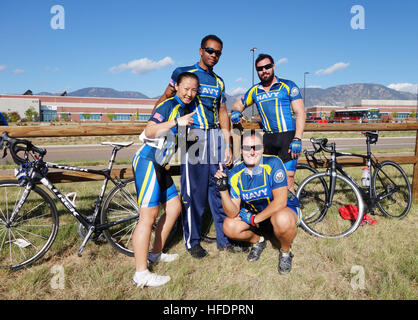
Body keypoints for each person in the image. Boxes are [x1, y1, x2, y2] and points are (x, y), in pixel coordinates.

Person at [155, 35, 237, 259]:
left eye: (218, 52)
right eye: (210, 50)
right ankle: (193, 241)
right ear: (201, 50)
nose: (214, 55)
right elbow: (166, 97)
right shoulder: (183, 73)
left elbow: (222, 112)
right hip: (193, 135)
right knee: (194, 191)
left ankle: (224, 238)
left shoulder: (219, 82)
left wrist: (228, 143)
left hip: (216, 136)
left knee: (220, 187)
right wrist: (155, 124)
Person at [131, 72, 198, 288]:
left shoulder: (189, 109)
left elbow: (178, 140)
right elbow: (149, 131)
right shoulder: (168, 106)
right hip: (148, 161)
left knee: (174, 207)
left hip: (161, 165)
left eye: (194, 89)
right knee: (148, 216)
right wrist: (176, 122)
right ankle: (141, 274)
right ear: (177, 86)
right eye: (186, 88)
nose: (189, 93)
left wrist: (190, 137)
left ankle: (155, 253)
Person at [214, 130, 301, 274]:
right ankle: (258, 241)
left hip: (283, 211)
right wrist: (223, 191)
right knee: (229, 226)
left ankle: (286, 251)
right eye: (247, 148)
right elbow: (232, 212)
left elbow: (280, 202)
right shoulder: (235, 173)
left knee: (282, 219)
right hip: (259, 216)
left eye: (256, 147)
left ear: (263, 149)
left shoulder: (273, 163)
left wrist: (254, 219)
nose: (252, 152)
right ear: (241, 150)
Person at [230, 53, 306, 193]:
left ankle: (293, 213)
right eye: (260, 68)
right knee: (268, 178)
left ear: (273, 66)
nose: (264, 70)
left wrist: (298, 138)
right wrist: (236, 112)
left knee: (289, 178)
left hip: (287, 138)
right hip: (268, 138)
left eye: (267, 66)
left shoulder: (288, 85)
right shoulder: (254, 90)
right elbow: (237, 105)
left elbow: (300, 112)